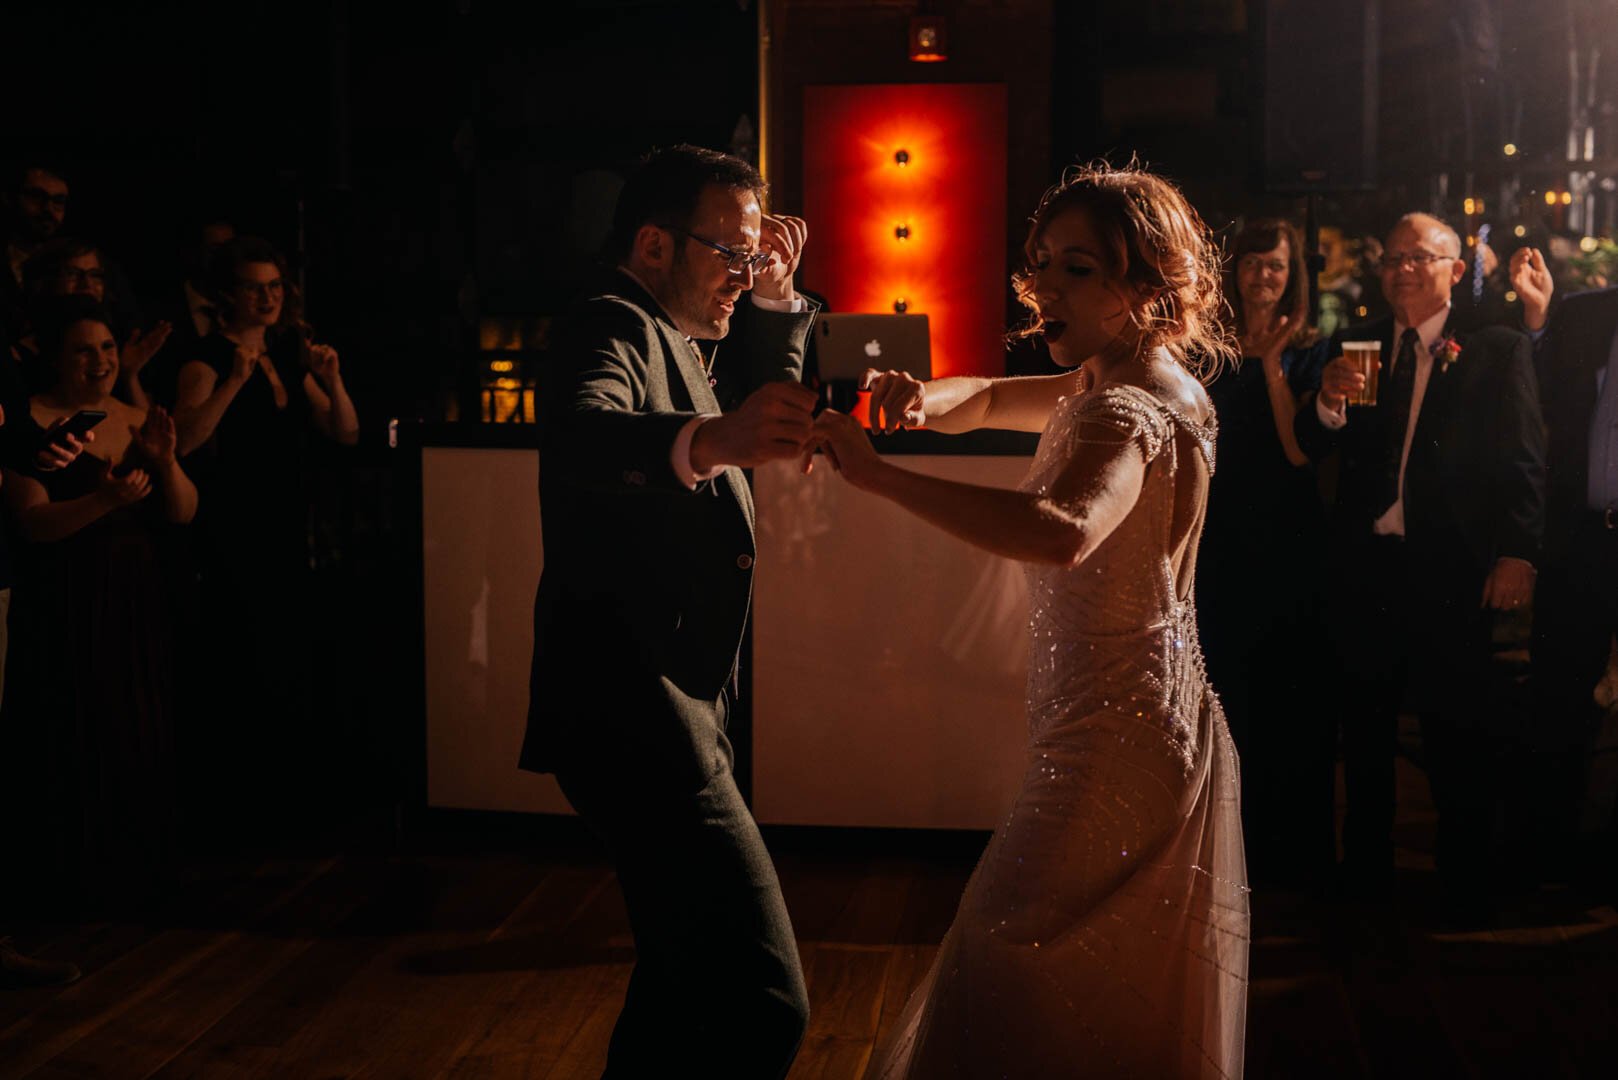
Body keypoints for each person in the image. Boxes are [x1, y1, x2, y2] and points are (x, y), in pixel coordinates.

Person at [814, 162, 1248, 1078]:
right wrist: (919, 399)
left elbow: (1063, 532)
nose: (1045, 285)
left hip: (1117, 737)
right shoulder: (1120, 378)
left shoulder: (1127, 410)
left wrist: (878, 474)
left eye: (1078, 268)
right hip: (1137, 720)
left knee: (1002, 948)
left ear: (1149, 284)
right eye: (1043, 263)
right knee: (1092, 976)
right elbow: (981, 399)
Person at [519, 144, 819, 1078]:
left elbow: (742, 404)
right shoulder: (607, 322)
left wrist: (772, 297)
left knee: (680, 980)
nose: (743, 270)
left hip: (669, 709)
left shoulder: (671, 334)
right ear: (653, 243)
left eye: (752, 252)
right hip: (636, 716)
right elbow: (582, 436)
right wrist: (711, 439)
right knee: (766, 1000)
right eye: (727, 253)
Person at [1296, 214, 1545, 923]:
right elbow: (1314, 443)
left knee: (1455, 734)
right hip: (1368, 569)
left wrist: (1519, 551)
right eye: (1392, 258)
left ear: (1455, 270)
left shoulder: (1495, 350)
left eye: (1418, 257)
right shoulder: (1359, 342)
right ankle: (1364, 884)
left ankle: (1464, 886)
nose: (1402, 269)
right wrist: (1331, 400)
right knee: (1366, 734)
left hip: (1451, 569)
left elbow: (1524, 458)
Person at [1, 295, 197, 911]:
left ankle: (136, 871)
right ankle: (73, 879)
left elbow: (185, 510)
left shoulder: (132, 415)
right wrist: (101, 503)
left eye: (108, 348)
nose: (100, 361)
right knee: (74, 720)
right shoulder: (29, 423)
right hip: (66, 594)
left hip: (135, 593)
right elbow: (32, 523)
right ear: (55, 356)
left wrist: (165, 465)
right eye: (84, 350)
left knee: (135, 718)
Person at [170, 235, 357, 838]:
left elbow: (345, 432)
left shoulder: (283, 354)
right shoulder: (204, 358)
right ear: (229, 293)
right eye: (255, 286)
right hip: (233, 529)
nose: (268, 297)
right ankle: (238, 807)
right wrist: (231, 383)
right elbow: (187, 441)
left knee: (289, 659)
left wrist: (332, 380)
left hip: (287, 530)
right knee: (242, 656)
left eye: (275, 286)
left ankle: (289, 800)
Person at [1199, 219, 1334, 887]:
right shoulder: (1207, 349)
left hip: (1287, 540)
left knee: (1288, 692)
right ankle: (1227, 852)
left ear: (1292, 276)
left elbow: (1297, 450)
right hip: (1218, 537)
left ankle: (1289, 858)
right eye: (1252, 264)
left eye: (1275, 266)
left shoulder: (1314, 350)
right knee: (1225, 689)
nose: (1262, 276)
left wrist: (1276, 366)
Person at [1511, 246, 1618, 895]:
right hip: (1582, 542)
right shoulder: (1586, 313)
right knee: (1559, 704)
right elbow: (1539, 381)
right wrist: (1539, 314)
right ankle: (1550, 864)